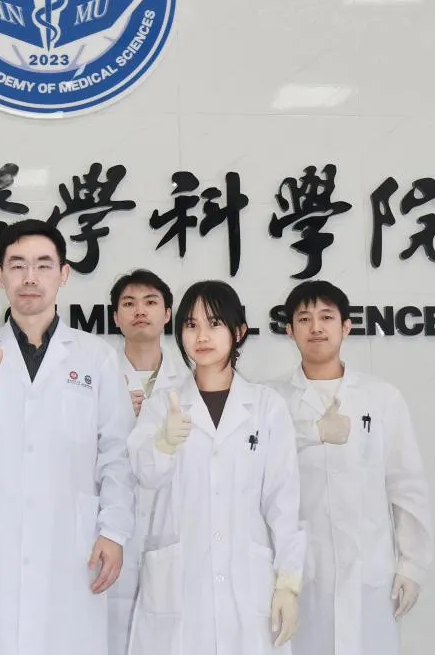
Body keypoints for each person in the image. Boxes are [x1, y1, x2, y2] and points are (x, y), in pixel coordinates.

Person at [0, 219, 136, 655]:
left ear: (63, 274)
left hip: (69, 541)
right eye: (17, 265)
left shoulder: (96, 357)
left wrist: (114, 530)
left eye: (43, 265)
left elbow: (117, 452)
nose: (30, 277)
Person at [127, 280, 304, 655]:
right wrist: (163, 444)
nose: (201, 336)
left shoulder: (266, 407)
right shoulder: (163, 404)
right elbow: (144, 476)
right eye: (191, 325)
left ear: (238, 331)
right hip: (180, 583)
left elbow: (283, 501)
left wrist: (288, 582)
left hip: (248, 582)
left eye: (214, 323)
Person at [266, 280, 433, 655]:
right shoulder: (272, 400)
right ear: (289, 330)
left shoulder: (381, 397)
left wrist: (412, 564)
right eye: (304, 319)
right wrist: (311, 432)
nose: (316, 327)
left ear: (346, 326)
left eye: (327, 317)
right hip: (298, 575)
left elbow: (406, 485)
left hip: (368, 573)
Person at [107, 268, 184, 655]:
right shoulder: (94, 378)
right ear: (115, 317)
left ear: (167, 314)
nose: (140, 310)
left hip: (168, 530)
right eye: (129, 303)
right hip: (107, 530)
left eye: (151, 302)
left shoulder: (190, 381)